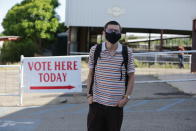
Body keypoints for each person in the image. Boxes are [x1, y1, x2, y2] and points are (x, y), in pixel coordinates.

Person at [86, 21, 135, 131]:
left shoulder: (127, 52)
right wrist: (89, 95)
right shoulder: (95, 50)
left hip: (116, 105)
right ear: (104, 32)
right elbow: (90, 74)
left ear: (120, 33)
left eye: (116, 31)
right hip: (96, 104)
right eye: (110, 30)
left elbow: (131, 76)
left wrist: (126, 98)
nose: (113, 33)